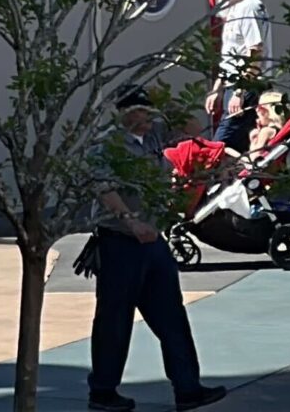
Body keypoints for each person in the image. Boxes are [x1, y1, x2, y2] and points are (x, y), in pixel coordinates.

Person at [83, 87, 226, 412]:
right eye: (141, 113)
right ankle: (103, 392)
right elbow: (104, 187)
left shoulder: (152, 135)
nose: (148, 120)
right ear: (124, 113)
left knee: (171, 315)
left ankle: (188, 388)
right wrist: (130, 221)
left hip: (153, 242)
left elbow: (192, 128)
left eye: (150, 114)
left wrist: (166, 104)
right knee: (114, 320)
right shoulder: (107, 145)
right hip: (119, 241)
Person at [205, 0, 268, 152]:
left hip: (247, 89)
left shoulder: (249, 7)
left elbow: (255, 52)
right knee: (236, 151)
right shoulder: (235, 10)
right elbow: (232, 56)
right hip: (234, 88)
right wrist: (217, 89)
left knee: (218, 148)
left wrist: (240, 92)